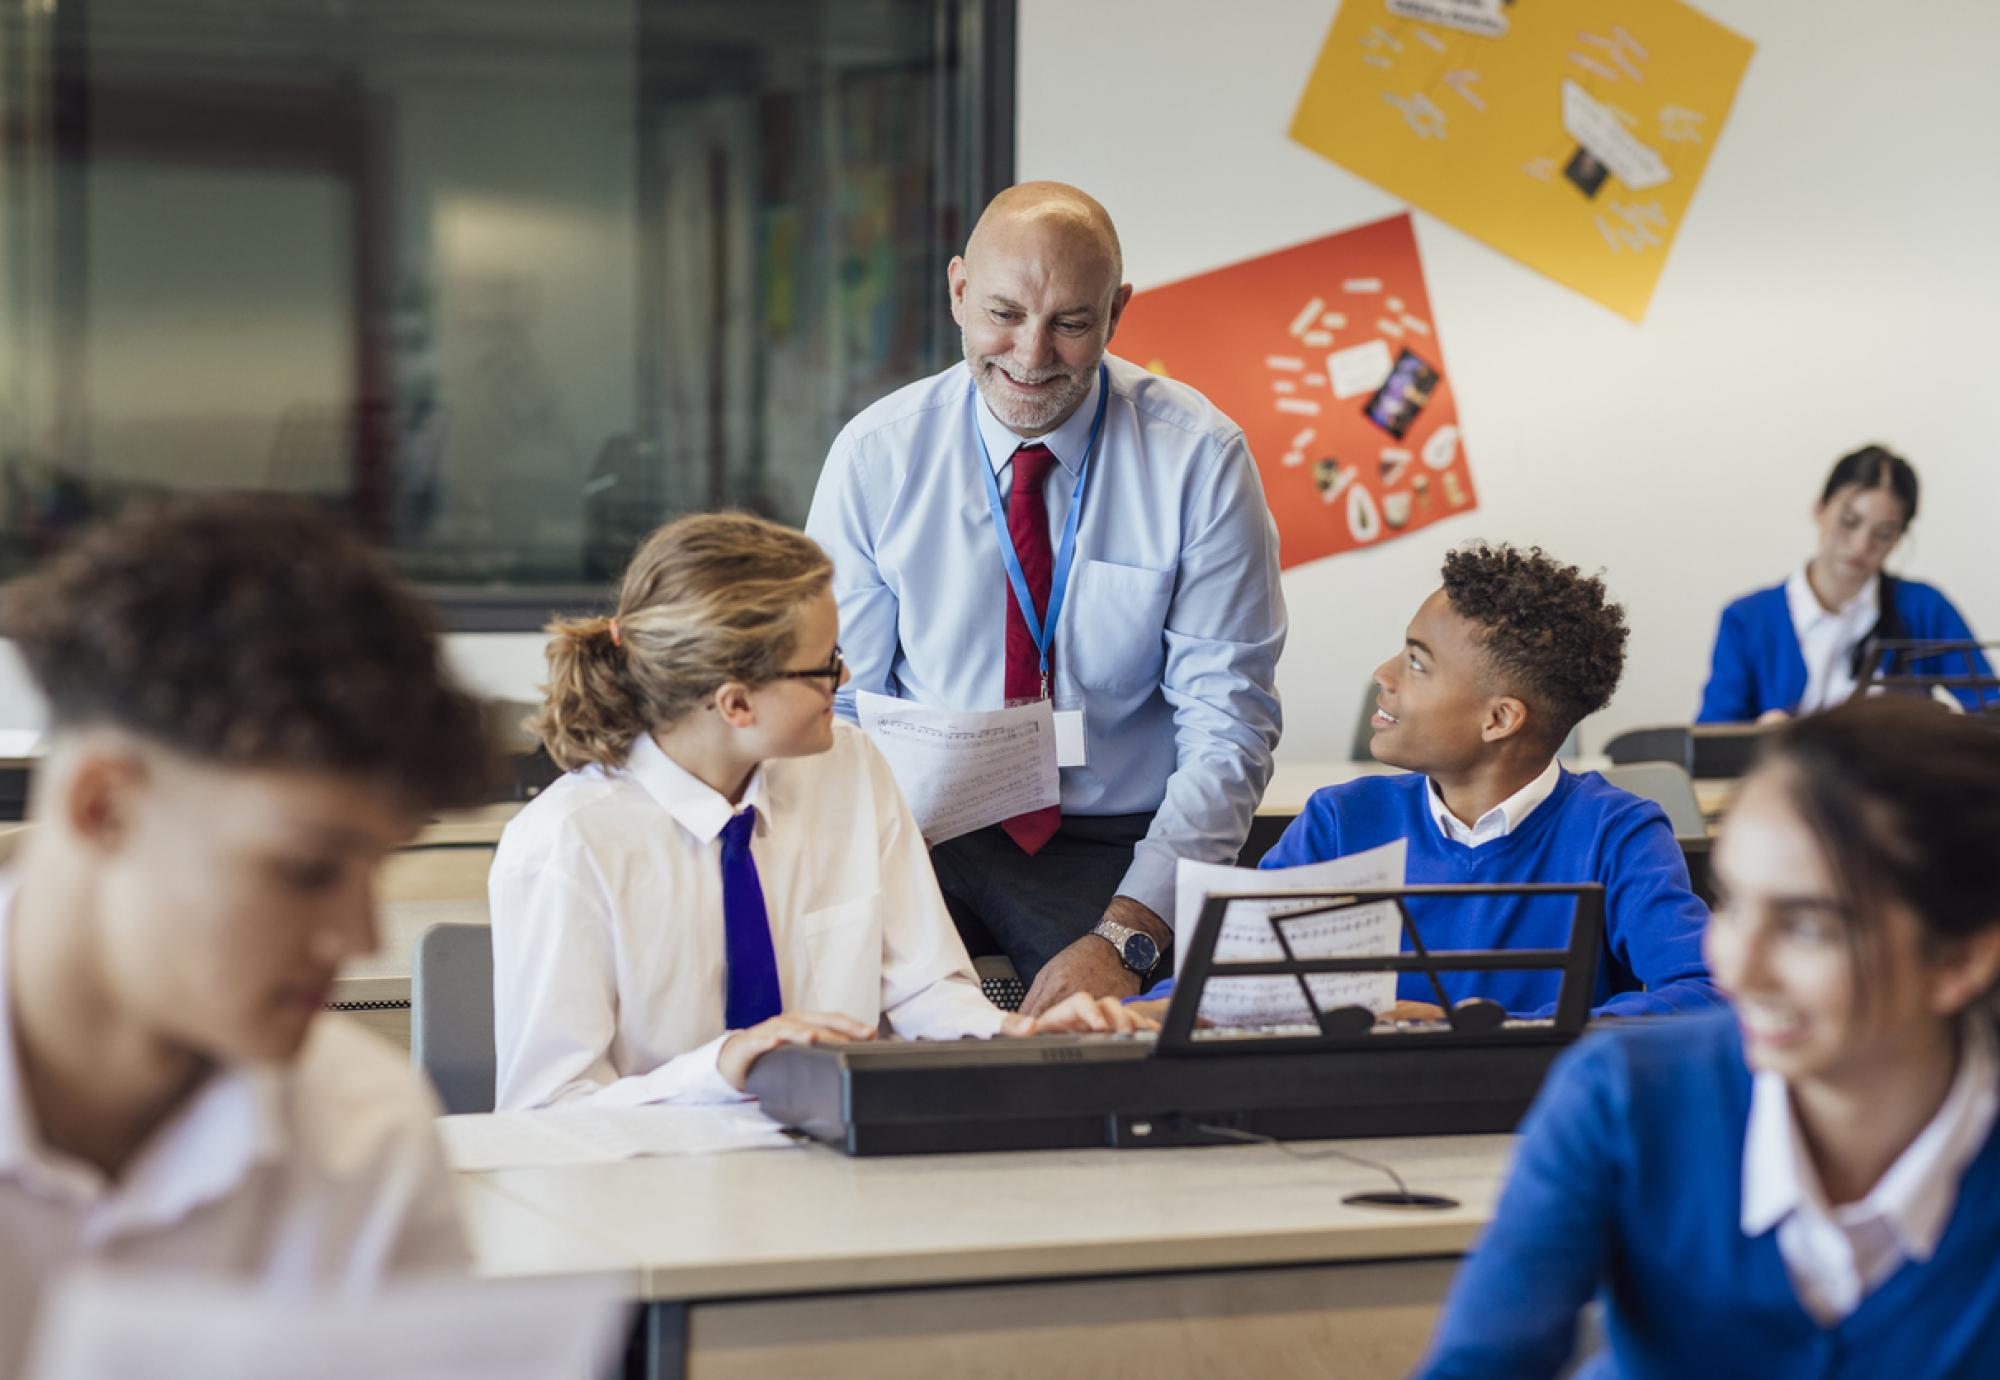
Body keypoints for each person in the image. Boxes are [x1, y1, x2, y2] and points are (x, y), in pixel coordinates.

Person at [0, 497, 496, 1380]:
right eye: (307, 871)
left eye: (374, 873)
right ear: (103, 806)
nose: (356, 936)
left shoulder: (366, 1137)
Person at [805, 181, 1286, 1017]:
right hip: (921, 829)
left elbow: (1228, 722)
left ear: (1117, 313)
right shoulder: (876, 455)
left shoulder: (1197, 460)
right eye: (1003, 314)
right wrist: (857, 863)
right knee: (857, 1031)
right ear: (958, 292)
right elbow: (840, 700)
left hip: (1112, 836)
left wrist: (1129, 933)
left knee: (1113, 1055)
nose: (1031, 356)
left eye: (1070, 322)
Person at [1418, 697, 2000, 1378]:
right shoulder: (1623, 1098)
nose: (1737, 967)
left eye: (1808, 925)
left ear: (1960, 961)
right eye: (1736, 903)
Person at [489, 513, 1147, 1111]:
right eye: (825, 667)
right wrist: (721, 1068)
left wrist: (1019, 1036)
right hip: (657, 1205)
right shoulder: (566, 844)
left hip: (844, 1169)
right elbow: (547, 1112)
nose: (847, 674)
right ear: (735, 704)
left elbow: (923, 991)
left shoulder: (852, 768)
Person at [1138, 545, 1718, 1020]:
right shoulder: (1340, 822)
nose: (1383, 675)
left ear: (1499, 719)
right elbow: (1229, 983)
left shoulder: (1616, 832)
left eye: (1417, 662)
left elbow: (1710, 992)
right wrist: (1134, 1017)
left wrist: (1484, 1033)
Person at [1698, 445, 1993, 723]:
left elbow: (1992, 708)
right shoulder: (1747, 620)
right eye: (1849, 522)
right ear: (1819, 508)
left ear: (1899, 539)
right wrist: (1758, 739)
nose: (1860, 545)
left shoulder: (1925, 609)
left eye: (1883, 534)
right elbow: (1710, 741)